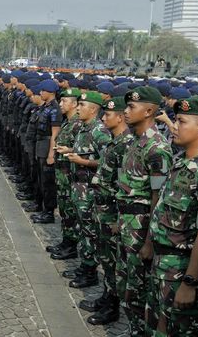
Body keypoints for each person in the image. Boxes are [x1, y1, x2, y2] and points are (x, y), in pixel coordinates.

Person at [147, 96, 198, 336]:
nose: (175, 126)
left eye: (181, 121)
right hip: (162, 263)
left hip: (181, 269)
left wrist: (189, 282)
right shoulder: (180, 160)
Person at [116, 86, 173, 336]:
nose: (126, 111)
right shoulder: (133, 140)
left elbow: (157, 198)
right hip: (127, 221)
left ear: (149, 110)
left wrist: (149, 241)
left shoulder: (157, 148)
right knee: (126, 283)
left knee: (138, 289)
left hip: (141, 229)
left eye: (132, 107)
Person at [83, 96, 134, 325]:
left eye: (108, 115)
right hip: (102, 207)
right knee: (105, 256)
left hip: (113, 211)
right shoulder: (115, 141)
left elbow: (126, 186)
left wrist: (119, 218)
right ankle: (107, 297)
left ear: (121, 117)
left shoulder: (127, 144)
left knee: (113, 261)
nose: (104, 118)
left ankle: (112, 307)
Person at [58, 91, 112, 288]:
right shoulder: (83, 129)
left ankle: (89, 272)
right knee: (83, 229)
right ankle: (84, 266)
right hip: (78, 187)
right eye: (78, 104)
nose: (78, 108)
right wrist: (70, 151)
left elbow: (107, 162)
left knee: (90, 231)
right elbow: (84, 151)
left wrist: (82, 161)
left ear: (94, 109)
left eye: (82, 105)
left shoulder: (100, 131)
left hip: (90, 190)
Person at [48, 88, 81, 260]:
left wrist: (68, 150)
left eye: (64, 101)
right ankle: (66, 242)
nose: (60, 104)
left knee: (70, 213)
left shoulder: (78, 124)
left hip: (71, 176)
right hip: (62, 175)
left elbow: (84, 151)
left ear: (74, 104)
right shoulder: (69, 122)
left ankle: (71, 246)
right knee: (65, 211)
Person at [31, 80, 61, 224]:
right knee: (40, 178)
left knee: (48, 182)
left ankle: (49, 212)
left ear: (51, 92)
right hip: (40, 143)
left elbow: (55, 133)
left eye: (43, 91)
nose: (40, 93)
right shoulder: (45, 107)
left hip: (47, 144)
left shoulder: (55, 109)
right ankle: (41, 207)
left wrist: (51, 154)